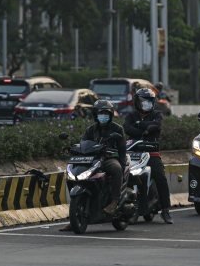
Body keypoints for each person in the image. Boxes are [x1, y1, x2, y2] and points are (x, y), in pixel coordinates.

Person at [59, 100, 126, 231]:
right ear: (95, 115)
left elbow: (122, 150)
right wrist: (72, 148)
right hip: (92, 160)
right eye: (100, 113)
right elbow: (84, 145)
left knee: (117, 169)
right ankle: (75, 218)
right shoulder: (90, 129)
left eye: (105, 113)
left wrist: (122, 164)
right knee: (73, 174)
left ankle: (114, 202)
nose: (103, 115)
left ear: (111, 114)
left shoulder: (117, 129)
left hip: (109, 159)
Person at [124, 88, 173, 224]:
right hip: (132, 153)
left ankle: (165, 210)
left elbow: (156, 125)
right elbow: (127, 128)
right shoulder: (130, 115)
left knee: (160, 178)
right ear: (137, 102)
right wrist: (144, 129)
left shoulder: (158, 115)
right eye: (144, 101)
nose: (147, 103)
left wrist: (139, 124)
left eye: (150, 101)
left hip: (152, 153)